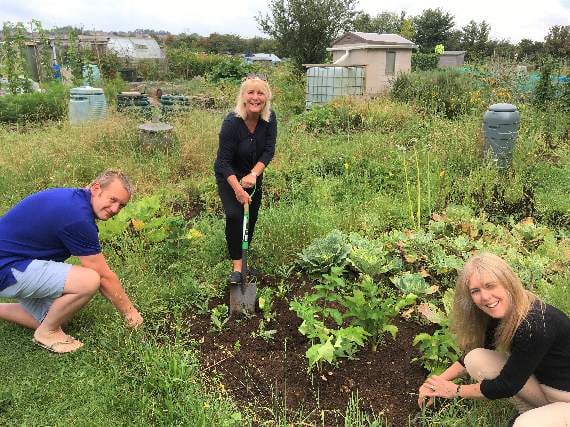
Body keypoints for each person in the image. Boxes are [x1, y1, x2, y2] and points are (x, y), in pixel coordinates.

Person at [418, 252, 570, 426]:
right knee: (475, 359)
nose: (485, 297)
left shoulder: (536, 324)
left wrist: (455, 390)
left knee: (523, 424)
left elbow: (506, 385)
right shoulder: (501, 312)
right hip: (544, 389)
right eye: (476, 291)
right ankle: (533, 410)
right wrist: (436, 384)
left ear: (508, 283)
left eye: (490, 285)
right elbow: (475, 354)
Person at [0, 170, 143, 353]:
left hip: (15, 260)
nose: (115, 209)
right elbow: (104, 276)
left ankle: (38, 320)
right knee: (89, 280)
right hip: (7, 267)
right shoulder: (77, 217)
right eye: (112, 200)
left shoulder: (73, 200)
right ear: (96, 188)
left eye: (121, 205)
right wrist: (130, 313)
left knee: (57, 314)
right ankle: (47, 333)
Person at [214, 74, 277, 284]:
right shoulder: (232, 123)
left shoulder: (269, 120)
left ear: (266, 97)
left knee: (251, 218)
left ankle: (245, 256)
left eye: (260, 93)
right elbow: (223, 161)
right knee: (235, 216)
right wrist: (238, 190)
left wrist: (253, 174)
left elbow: (268, 151)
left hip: (253, 175)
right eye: (251, 92)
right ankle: (237, 266)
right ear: (243, 96)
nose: (255, 97)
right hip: (229, 175)